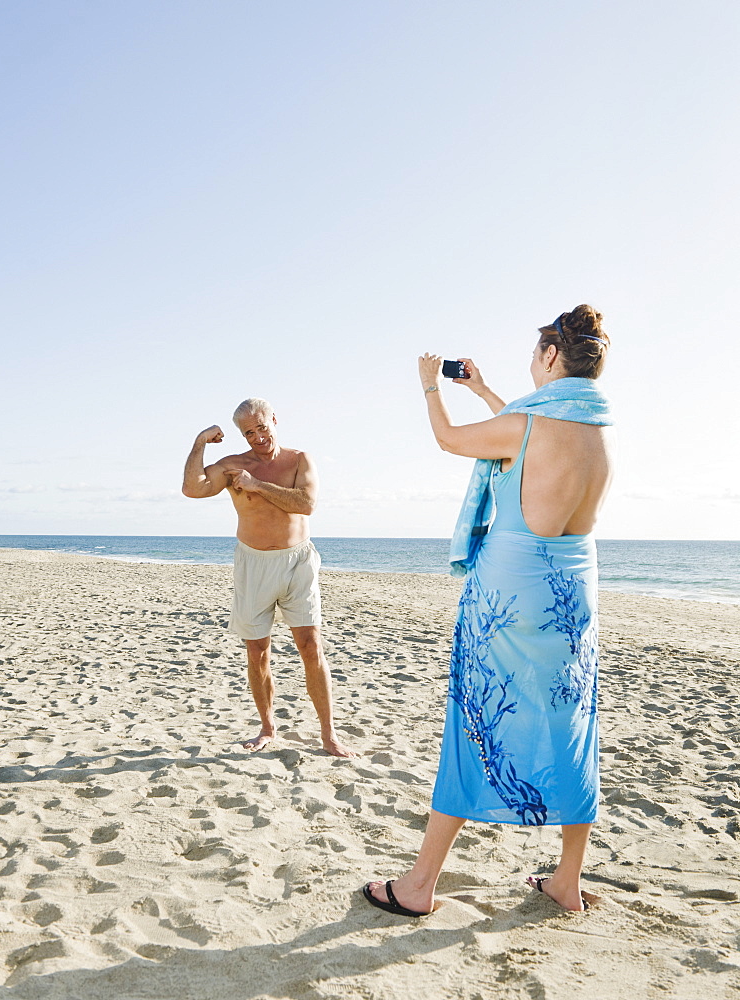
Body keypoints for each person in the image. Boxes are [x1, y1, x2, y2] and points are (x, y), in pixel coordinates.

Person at [363, 304, 614, 916]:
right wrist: (481, 389)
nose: (532, 363)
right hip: (573, 597)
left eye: (535, 354)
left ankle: (419, 885)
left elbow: (456, 439)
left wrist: (430, 385)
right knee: (573, 724)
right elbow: (525, 435)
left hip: (509, 592)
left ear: (553, 357)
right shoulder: (595, 430)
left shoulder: (528, 423)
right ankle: (568, 881)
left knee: (474, 723)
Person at [182, 398, 355, 758]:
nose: (258, 437)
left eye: (262, 427)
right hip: (253, 563)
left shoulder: (299, 460)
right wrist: (200, 442)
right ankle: (267, 727)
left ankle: (329, 734)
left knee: (311, 646)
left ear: (274, 419)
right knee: (257, 651)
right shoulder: (232, 466)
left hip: (297, 563)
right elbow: (193, 488)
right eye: (248, 432)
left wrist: (256, 485)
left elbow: (305, 504)